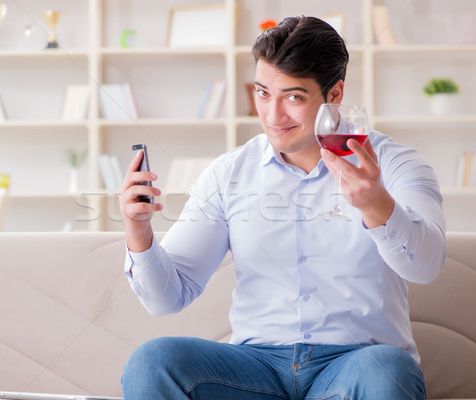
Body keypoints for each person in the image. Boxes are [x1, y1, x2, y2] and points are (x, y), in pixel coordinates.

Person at [119, 15, 445, 400]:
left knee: (389, 371)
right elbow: (167, 299)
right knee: (152, 361)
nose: (273, 117)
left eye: (293, 97)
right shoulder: (229, 173)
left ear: (335, 94)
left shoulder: (396, 165)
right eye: (262, 93)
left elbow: (426, 267)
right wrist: (138, 231)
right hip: (254, 369)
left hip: (356, 364)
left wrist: (377, 206)